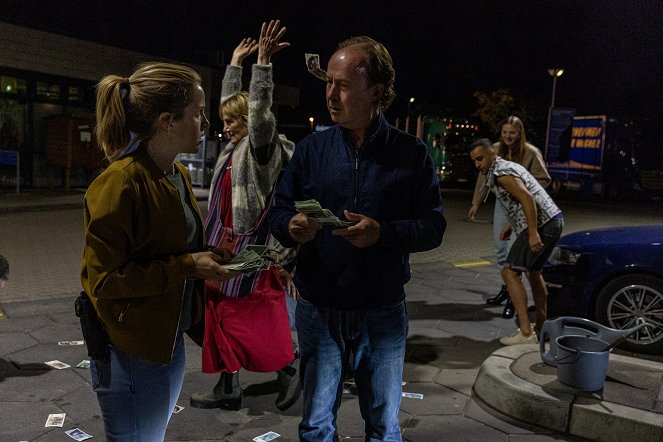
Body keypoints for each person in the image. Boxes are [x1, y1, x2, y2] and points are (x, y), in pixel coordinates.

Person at [269, 36, 446, 441]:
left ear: (377, 92)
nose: (331, 94)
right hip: (318, 308)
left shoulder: (411, 154)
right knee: (315, 424)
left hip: (381, 310)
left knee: (383, 426)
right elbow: (278, 212)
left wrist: (382, 233)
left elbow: (433, 227)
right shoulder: (311, 150)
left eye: (344, 85)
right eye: (328, 82)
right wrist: (291, 225)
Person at [81, 62, 238, 440]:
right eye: (197, 114)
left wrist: (209, 256)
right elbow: (102, 282)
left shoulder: (176, 174)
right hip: (132, 352)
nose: (205, 123)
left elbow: (171, 246)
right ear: (167, 121)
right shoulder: (119, 183)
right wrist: (187, 265)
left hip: (169, 341)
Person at [189, 20, 301, 412]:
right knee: (219, 313)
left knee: (249, 317)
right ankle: (228, 387)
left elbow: (257, 114)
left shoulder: (258, 153)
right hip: (222, 246)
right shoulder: (230, 150)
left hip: (250, 250)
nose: (225, 128)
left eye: (231, 122)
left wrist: (263, 65)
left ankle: (288, 368)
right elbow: (233, 105)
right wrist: (234, 65)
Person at [469, 138, 563, 345]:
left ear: (492, 154)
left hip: (543, 224)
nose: (477, 165)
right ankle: (541, 326)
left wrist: (531, 233)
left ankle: (526, 333)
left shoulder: (501, 173)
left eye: (480, 159)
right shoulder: (503, 168)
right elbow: (523, 198)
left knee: (509, 271)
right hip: (554, 219)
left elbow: (527, 197)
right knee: (534, 272)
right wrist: (511, 226)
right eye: (474, 161)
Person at [467, 116, 551, 317]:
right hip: (503, 206)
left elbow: (544, 179)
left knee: (516, 252)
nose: (508, 136)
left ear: (519, 133)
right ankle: (507, 288)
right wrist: (476, 203)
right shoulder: (493, 149)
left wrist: (523, 187)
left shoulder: (531, 152)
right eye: (504, 132)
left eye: (512, 133)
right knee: (501, 250)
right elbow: (483, 175)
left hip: (523, 207)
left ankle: (515, 299)